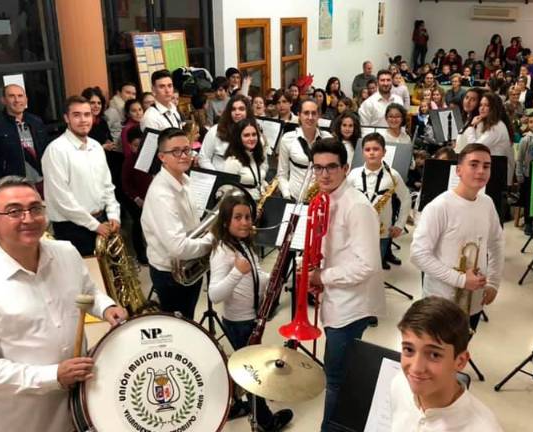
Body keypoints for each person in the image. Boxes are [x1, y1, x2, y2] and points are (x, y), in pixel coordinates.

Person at [0, 176, 127, 432]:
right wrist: (53, 376)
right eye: (14, 212)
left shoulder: (66, 252)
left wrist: (106, 308)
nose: (28, 219)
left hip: (87, 402)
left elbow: (88, 292)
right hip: (29, 418)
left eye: (35, 208)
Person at [306, 138, 383, 431]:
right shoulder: (328, 199)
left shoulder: (357, 207)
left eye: (331, 167)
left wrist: (322, 277)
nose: (324, 174)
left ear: (346, 168)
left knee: (336, 379)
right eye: (318, 168)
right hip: (336, 298)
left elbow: (367, 265)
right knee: (339, 375)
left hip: (350, 307)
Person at [208, 194, 294, 431]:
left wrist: (274, 281)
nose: (245, 222)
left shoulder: (244, 244)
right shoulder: (223, 251)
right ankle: (264, 421)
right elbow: (215, 295)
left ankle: (239, 403)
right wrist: (236, 272)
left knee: (245, 366)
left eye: (247, 216)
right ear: (226, 222)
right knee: (252, 371)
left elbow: (256, 275)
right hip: (238, 322)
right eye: (238, 218)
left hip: (251, 317)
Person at [411, 143, 504, 330]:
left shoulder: (487, 203)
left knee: (461, 348)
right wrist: (461, 280)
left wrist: (493, 282)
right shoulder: (439, 207)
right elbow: (418, 255)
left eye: (486, 166)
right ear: (459, 170)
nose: (481, 171)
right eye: (474, 164)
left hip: (474, 300)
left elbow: (496, 244)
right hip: (440, 301)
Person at [390, 297, 503, 432]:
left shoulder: (483, 428)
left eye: (434, 355)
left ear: (460, 361)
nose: (416, 368)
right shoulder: (399, 385)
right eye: (409, 350)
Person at [141, 128, 213, 319]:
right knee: (177, 327)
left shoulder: (185, 180)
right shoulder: (161, 195)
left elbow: (192, 224)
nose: (184, 156)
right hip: (171, 275)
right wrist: (213, 239)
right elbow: (178, 247)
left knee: (188, 319)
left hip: (190, 265)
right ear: (162, 157)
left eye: (187, 150)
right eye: (176, 151)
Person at [42, 96, 120, 256]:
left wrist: (113, 214)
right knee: (83, 278)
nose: (83, 120)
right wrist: (94, 225)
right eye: (76, 115)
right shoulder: (56, 150)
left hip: (102, 220)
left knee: (109, 278)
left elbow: (107, 186)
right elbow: (62, 199)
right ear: (66, 118)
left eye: (87, 114)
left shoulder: (96, 146)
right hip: (72, 227)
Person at [348, 132, 410, 270]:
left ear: (384, 152)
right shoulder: (354, 174)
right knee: (356, 266)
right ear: (362, 152)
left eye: (376, 149)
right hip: (357, 229)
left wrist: (400, 225)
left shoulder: (393, 175)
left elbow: (406, 199)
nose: (371, 153)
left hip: (382, 231)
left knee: (374, 268)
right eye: (367, 149)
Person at [0, 84, 49, 187]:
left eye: (20, 96)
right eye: (12, 96)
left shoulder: (36, 122)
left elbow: (46, 150)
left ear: (26, 99)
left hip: (41, 181)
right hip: (14, 185)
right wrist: (1, 184)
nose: (17, 100)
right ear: (3, 100)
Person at [277, 98, 332, 200]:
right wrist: (287, 196)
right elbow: (282, 174)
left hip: (322, 201)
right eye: (306, 113)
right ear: (299, 115)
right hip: (294, 199)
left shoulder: (328, 139)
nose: (310, 117)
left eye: (314, 113)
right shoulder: (287, 139)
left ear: (319, 115)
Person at [461, 92, 514, 184]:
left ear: (494, 108)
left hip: (498, 175)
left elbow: (474, 149)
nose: (482, 108)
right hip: (491, 171)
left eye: (487, 105)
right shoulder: (484, 123)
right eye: (481, 105)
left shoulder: (497, 127)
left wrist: (471, 127)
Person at [120, 126, 150, 265]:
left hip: (149, 197)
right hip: (136, 199)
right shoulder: (129, 161)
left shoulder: (149, 158)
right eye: (135, 145)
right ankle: (140, 253)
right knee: (138, 223)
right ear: (130, 146)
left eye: (141, 145)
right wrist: (137, 198)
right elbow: (125, 183)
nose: (138, 148)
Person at [199, 93, 252, 171]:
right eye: (233, 109)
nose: (237, 113)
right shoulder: (215, 130)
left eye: (241, 109)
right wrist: (218, 177)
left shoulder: (253, 132)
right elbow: (203, 158)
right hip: (220, 178)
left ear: (247, 111)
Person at [223, 119, 268, 200]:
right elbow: (228, 192)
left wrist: (265, 186)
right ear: (238, 138)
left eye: (254, 134)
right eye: (246, 135)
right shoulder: (232, 162)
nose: (252, 138)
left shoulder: (256, 155)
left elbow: (257, 180)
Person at [516, 111, 533, 236]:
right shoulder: (525, 140)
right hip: (528, 174)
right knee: (528, 200)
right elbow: (520, 159)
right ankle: (528, 223)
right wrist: (519, 174)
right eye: (531, 122)